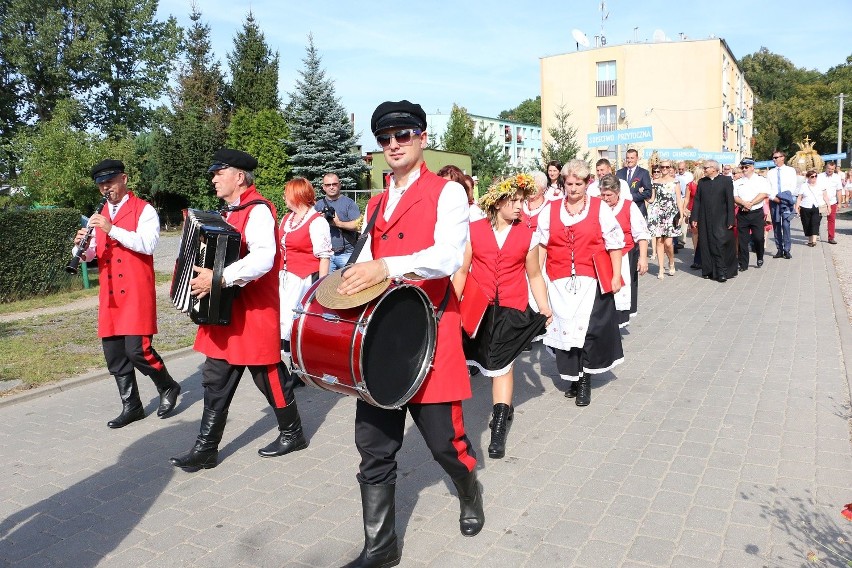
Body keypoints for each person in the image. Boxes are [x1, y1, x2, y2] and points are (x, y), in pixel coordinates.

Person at [335, 101, 484, 568]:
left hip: (431, 333)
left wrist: (387, 265)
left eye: (403, 135)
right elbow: (365, 256)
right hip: (382, 337)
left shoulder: (447, 193)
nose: (394, 145)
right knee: (373, 445)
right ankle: (381, 548)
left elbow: (446, 257)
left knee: (445, 443)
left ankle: (469, 488)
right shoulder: (376, 201)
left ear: (422, 138)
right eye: (385, 139)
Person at [170, 149, 308, 472]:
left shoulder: (258, 211)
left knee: (269, 375)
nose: (214, 178)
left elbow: (263, 259)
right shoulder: (228, 213)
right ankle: (206, 449)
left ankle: (293, 432)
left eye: (220, 172)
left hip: (254, 312)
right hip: (226, 314)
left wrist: (217, 278)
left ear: (240, 177)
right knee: (214, 378)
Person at [72, 159, 180, 429]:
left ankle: (167, 387)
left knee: (138, 351)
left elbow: (147, 244)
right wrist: (79, 249)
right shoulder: (98, 216)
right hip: (110, 296)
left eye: (109, 182)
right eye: (100, 184)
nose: (105, 188)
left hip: (135, 292)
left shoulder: (144, 210)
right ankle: (131, 406)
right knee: (114, 354)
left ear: (124, 179)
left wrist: (111, 228)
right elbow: (91, 255)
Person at [452, 174, 552, 460]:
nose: (521, 206)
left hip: (511, 307)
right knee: (472, 361)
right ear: (497, 203)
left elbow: (534, 274)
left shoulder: (528, 234)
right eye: (515, 201)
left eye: (523, 200)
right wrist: (452, 306)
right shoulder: (473, 230)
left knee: (503, 365)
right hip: (478, 308)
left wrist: (544, 306)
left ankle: (498, 425)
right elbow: (462, 270)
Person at [537, 159, 625, 407]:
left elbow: (615, 243)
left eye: (578, 183)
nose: (573, 188)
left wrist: (616, 275)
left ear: (588, 184)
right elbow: (542, 246)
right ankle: (573, 377)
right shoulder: (551, 209)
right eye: (569, 183)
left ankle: (584, 379)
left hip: (591, 279)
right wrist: (537, 278)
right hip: (558, 280)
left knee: (587, 331)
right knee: (566, 332)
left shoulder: (599, 208)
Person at [280, 177, 332, 357]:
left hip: (304, 280)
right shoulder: (287, 218)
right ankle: (289, 364)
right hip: (285, 279)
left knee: (297, 321)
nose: (284, 197)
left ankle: (298, 364)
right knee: (284, 320)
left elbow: (324, 257)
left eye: (287, 194)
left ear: (297, 196)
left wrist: (320, 288)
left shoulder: (317, 222)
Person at [598, 174, 649, 328]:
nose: (605, 198)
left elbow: (641, 233)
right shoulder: (598, 206)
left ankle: (616, 323)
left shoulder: (628, 206)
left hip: (625, 255)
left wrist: (643, 258)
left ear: (618, 192)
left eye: (609, 195)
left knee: (620, 290)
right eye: (603, 194)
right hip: (603, 257)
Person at [691, 160, 737, 282]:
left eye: (706, 168)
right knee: (705, 244)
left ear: (714, 169)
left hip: (721, 218)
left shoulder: (726, 181)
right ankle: (708, 270)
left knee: (719, 244)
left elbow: (729, 201)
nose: (704, 170)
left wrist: (731, 219)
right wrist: (694, 217)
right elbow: (697, 201)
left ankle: (722, 271)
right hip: (704, 218)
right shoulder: (702, 182)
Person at [646, 160, 684, 279]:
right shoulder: (655, 182)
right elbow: (652, 199)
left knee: (668, 243)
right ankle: (661, 268)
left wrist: (681, 214)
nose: (664, 169)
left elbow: (678, 199)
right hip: (657, 213)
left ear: (670, 168)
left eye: (667, 167)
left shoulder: (675, 182)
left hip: (671, 214)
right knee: (659, 241)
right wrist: (642, 195)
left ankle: (671, 261)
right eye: (662, 167)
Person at [315, 172, 361, 270]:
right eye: (328, 185)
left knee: (350, 283)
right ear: (323, 187)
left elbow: (358, 225)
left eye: (334, 184)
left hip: (347, 253)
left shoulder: (349, 203)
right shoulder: (318, 205)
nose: (331, 187)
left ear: (339, 185)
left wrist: (338, 223)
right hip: (326, 255)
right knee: (327, 285)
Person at [733, 158, 770, 270]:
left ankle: (760, 256)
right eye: (742, 167)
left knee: (758, 238)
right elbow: (735, 197)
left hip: (756, 213)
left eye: (746, 167)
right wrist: (744, 203)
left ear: (752, 167)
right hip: (743, 213)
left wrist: (751, 203)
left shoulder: (761, 180)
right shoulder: (737, 182)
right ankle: (743, 264)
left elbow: (763, 194)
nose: (744, 169)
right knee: (742, 240)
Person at [767, 150, 798, 259]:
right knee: (776, 225)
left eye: (776, 157)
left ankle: (787, 249)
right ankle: (779, 249)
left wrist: (785, 197)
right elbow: (768, 188)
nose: (774, 159)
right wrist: (774, 198)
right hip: (774, 201)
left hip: (786, 200)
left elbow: (793, 186)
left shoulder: (790, 170)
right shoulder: (770, 172)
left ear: (782, 158)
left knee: (786, 224)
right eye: (773, 158)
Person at [795, 168, 830, 248]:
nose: (814, 178)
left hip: (818, 206)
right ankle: (810, 240)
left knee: (815, 223)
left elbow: (825, 196)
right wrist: (797, 207)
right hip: (805, 206)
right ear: (808, 177)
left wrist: (829, 206)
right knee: (807, 224)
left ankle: (814, 240)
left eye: (815, 176)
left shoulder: (821, 185)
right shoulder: (803, 186)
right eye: (812, 176)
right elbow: (799, 197)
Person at [616, 148, 653, 217]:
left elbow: (648, 193)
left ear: (637, 158)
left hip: (638, 209)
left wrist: (631, 197)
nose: (629, 160)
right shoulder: (619, 173)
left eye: (632, 158)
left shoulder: (643, 173)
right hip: (622, 210)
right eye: (627, 158)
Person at [817, 161, 843, 244]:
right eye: (828, 168)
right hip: (820, 201)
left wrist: (839, 203)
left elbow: (839, 190)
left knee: (831, 220)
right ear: (826, 168)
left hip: (832, 202)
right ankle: (814, 233)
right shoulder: (819, 176)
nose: (830, 170)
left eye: (832, 169)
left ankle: (831, 237)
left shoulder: (837, 177)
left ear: (834, 169)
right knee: (817, 218)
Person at [686, 165, 704, 269]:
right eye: (702, 173)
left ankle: (702, 254)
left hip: (704, 211)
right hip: (694, 211)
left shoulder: (706, 184)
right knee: (695, 232)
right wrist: (685, 210)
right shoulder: (691, 185)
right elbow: (687, 199)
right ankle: (696, 251)